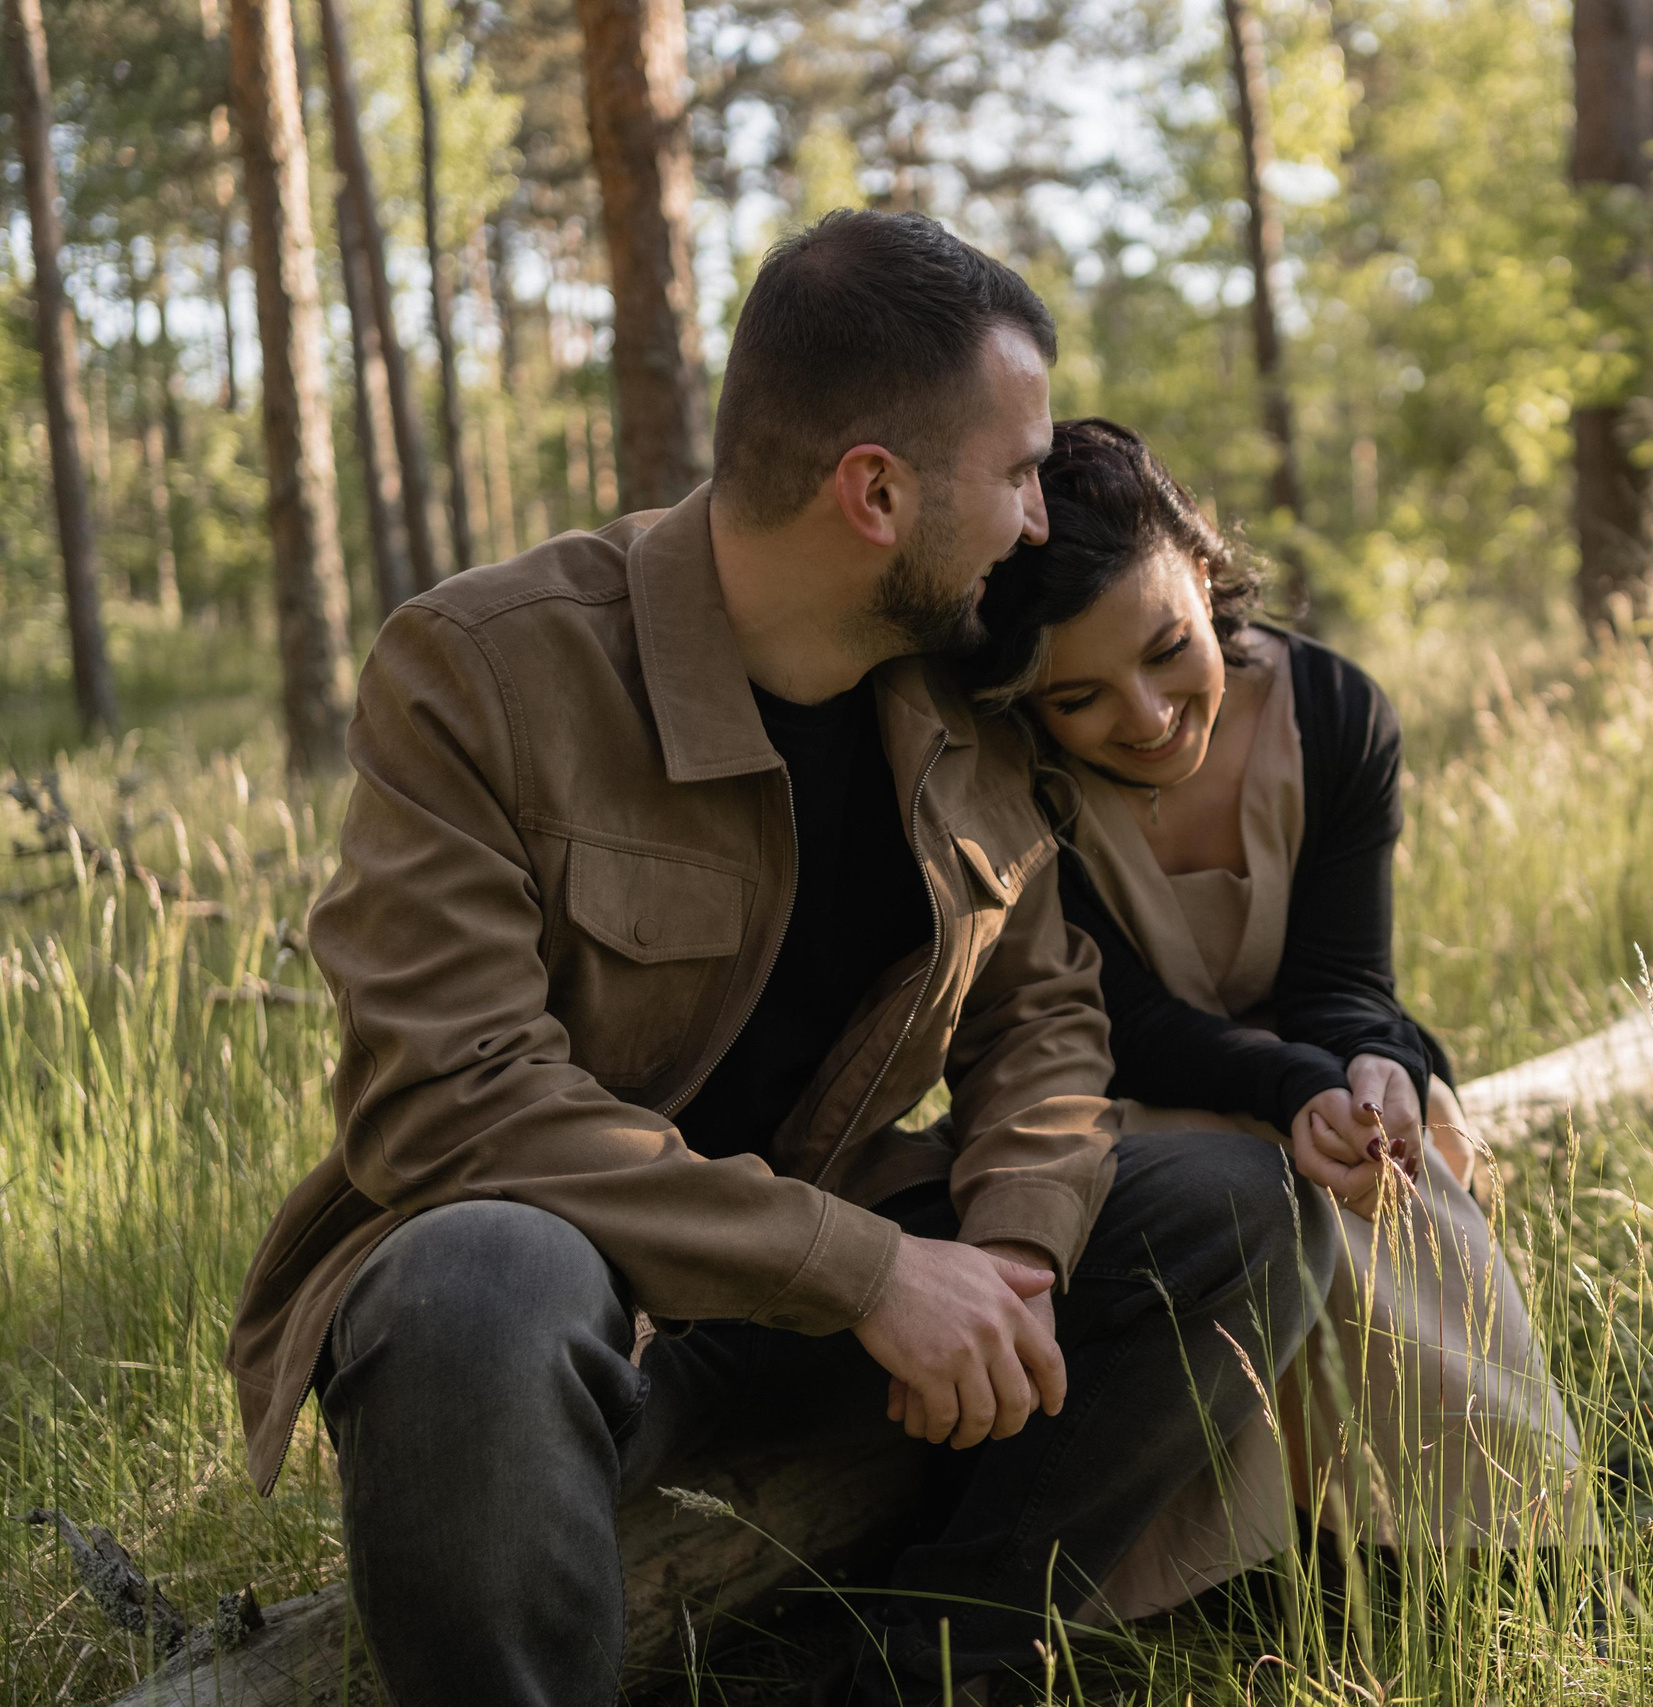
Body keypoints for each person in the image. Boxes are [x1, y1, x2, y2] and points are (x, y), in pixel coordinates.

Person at [222, 216, 1335, 1707]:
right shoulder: (485, 668)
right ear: (875, 492)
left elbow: (1041, 1018)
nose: (1035, 522)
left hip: (821, 1295)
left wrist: (1011, 1259)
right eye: (1016, 473)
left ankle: (927, 1672)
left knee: (1232, 1206)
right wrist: (866, 1272)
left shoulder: (958, 684)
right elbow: (449, 1101)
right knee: (476, 1275)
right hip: (578, 1317)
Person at [960, 419, 1589, 1617]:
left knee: (1393, 1153)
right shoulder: (1008, 771)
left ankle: (1486, 1543)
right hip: (1121, 1085)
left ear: (1204, 573)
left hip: (1306, 1055)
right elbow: (1112, 1017)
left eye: (1168, 651)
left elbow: (1344, 975)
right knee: (1224, 1181)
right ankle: (1223, 1571)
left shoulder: (1335, 712)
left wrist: (1367, 1064)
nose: (1147, 716)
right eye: (1079, 697)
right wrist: (1289, 1088)